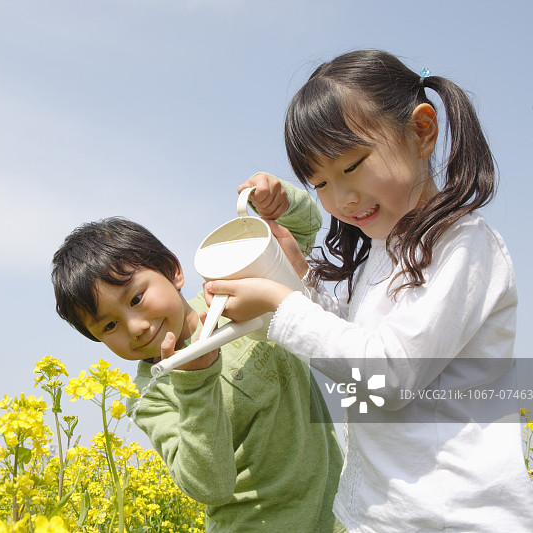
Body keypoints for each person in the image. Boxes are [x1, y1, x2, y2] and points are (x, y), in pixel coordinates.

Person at [204, 49, 533, 532]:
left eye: (352, 166)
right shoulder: (381, 250)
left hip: (455, 518)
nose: (342, 198)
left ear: (422, 131)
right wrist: (293, 280)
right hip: (377, 515)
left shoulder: (464, 245)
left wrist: (286, 308)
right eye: (320, 182)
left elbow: (390, 377)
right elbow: (354, 344)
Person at [51, 175, 346, 533]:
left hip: (338, 517)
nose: (136, 327)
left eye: (136, 298)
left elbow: (296, 236)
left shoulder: (231, 295)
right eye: (109, 326)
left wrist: (282, 203)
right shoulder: (149, 396)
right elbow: (211, 487)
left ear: (174, 271)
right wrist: (195, 383)